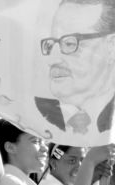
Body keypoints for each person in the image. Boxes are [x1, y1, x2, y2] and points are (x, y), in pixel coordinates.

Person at [35, 0, 115, 135]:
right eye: (51, 44)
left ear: (111, 47)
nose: (52, 60)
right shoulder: (30, 118)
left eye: (70, 43)